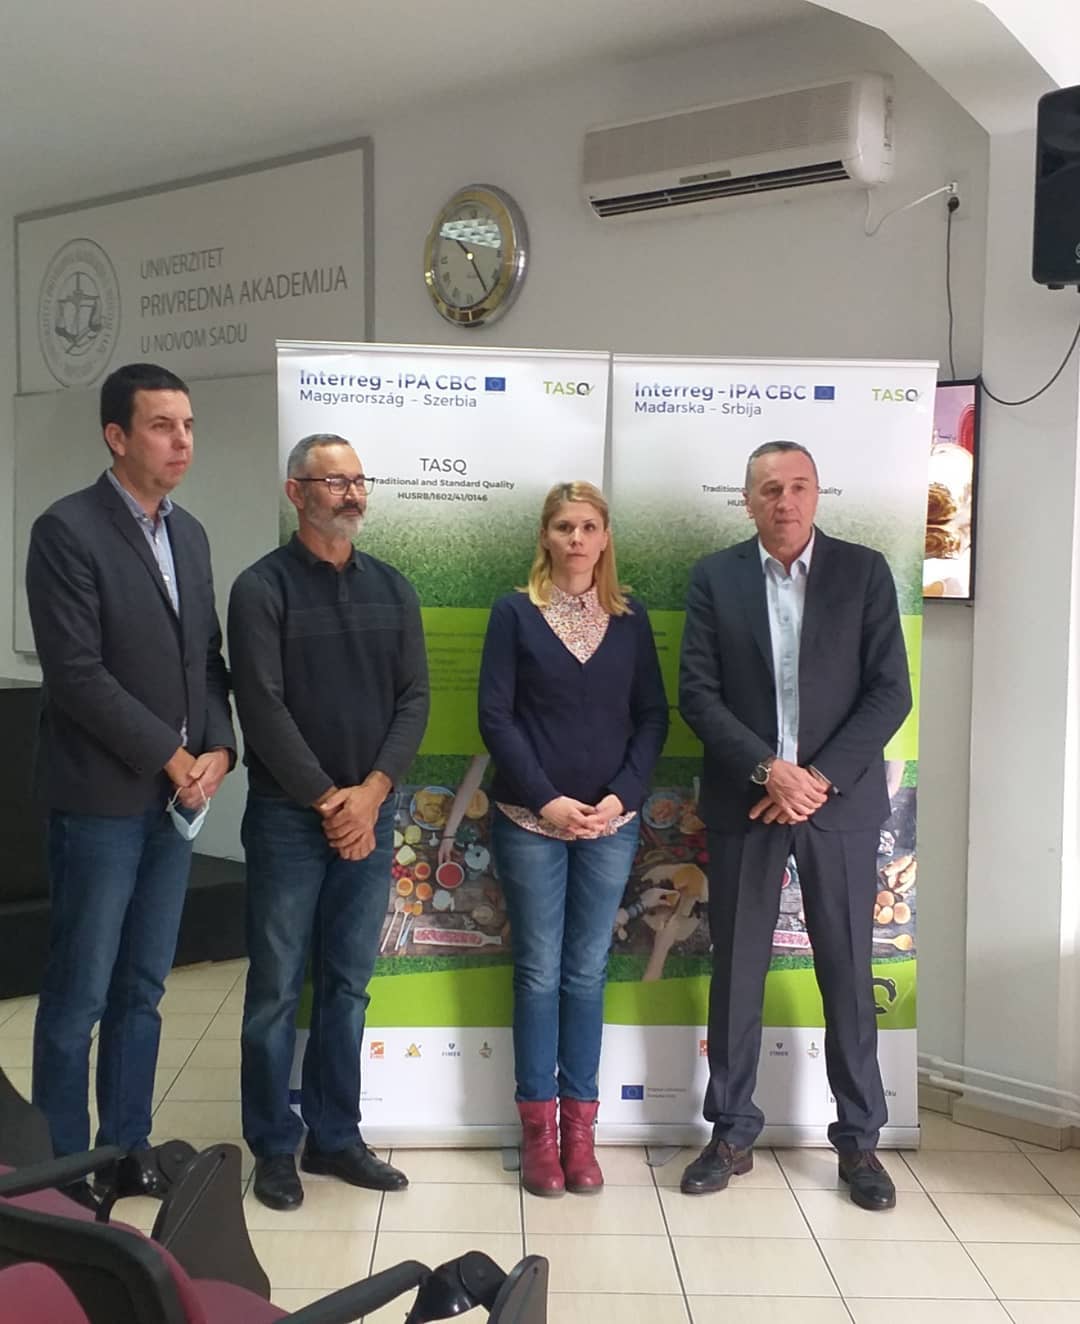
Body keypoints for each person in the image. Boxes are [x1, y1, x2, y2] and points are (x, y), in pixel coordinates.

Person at [678, 440, 912, 1211]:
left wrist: (814, 779)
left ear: (817, 495)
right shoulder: (715, 577)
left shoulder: (863, 572)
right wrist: (767, 770)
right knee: (737, 970)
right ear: (747, 500)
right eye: (770, 489)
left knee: (847, 972)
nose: (786, 501)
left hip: (837, 804)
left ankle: (860, 1142)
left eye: (799, 486)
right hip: (748, 799)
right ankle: (731, 1133)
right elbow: (697, 693)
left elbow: (890, 692)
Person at [26, 363, 235, 1188]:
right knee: (79, 995)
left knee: (142, 988)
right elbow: (78, 675)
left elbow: (205, 659)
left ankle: (125, 1151)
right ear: (117, 437)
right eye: (161, 426)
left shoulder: (191, 534)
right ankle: (61, 1174)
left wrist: (218, 747)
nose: (181, 441)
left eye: (188, 425)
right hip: (99, 801)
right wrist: (172, 755)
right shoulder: (67, 530)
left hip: (175, 802)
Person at [228, 433, 429, 1212]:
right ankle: (274, 1146)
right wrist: (330, 800)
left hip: (369, 816)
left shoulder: (393, 588)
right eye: (334, 481)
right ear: (297, 493)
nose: (351, 493)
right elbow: (262, 707)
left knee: (347, 985)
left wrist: (372, 793)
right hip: (289, 818)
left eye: (357, 480)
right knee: (277, 989)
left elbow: (414, 699)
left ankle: (336, 1137)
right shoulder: (261, 588)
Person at [478, 480, 668, 1198]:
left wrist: (622, 795)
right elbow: (496, 717)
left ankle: (580, 1135)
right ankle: (538, 1136)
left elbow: (652, 716)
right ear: (546, 537)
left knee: (587, 973)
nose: (577, 538)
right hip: (531, 821)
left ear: (606, 537)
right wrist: (549, 801)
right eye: (564, 526)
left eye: (589, 526)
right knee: (538, 972)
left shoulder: (630, 618)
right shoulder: (514, 614)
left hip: (611, 823)